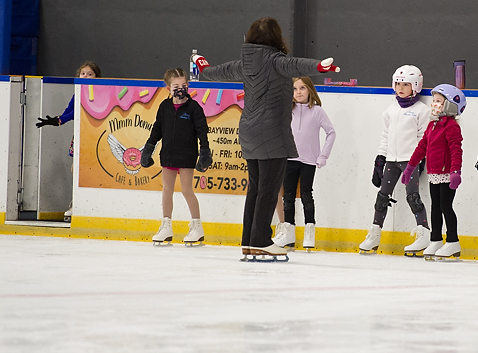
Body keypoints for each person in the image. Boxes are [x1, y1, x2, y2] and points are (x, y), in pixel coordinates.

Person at [195, 17, 338, 261]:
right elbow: (297, 65)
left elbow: (215, 72)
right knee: (269, 190)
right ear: (276, 37)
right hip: (272, 132)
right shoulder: (276, 61)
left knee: (255, 188)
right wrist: (320, 67)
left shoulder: (245, 63)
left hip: (248, 131)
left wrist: (202, 65)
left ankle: (249, 240)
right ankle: (261, 240)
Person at [359, 65, 431, 254]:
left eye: (405, 84)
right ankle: (375, 234)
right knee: (382, 196)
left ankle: (424, 233)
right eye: (398, 84)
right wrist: (380, 159)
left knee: (412, 196)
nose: (400, 88)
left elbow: (424, 138)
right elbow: (386, 136)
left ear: (415, 86)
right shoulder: (390, 110)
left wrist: (419, 159)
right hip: (392, 160)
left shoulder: (421, 110)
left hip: (410, 161)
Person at [139, 68, 212, 247]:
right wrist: (148, 148)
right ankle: (166, 225)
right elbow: (157, 129)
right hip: (168, 154)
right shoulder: (164, 107)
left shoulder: (194, 108)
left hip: (187, 154)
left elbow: (202, 131)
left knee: (186, 190)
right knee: (167, 189)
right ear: (168, 88)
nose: (180, 89)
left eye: (183, 85)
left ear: (188, 85)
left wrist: (204, 151)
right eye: (176, 86)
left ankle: (197, 226)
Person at [402, 84, 465, 260]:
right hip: (434, 173)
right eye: (434, 100)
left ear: (449, 105)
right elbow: (422, 148)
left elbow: (456, 150)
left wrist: (455, 171)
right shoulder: (432, 125)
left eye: (439, 101)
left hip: (447, 174)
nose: (434, 104)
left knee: (446, 206)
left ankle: (452, 241)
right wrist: (410, 167)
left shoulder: (451, 126)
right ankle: (435, 239)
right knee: (435, 207)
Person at [273, 77, 336, 252]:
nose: (298, 92)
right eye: (295, 89)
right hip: (289, 159)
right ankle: (289, 232)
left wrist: (323, 156)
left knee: (306, 195)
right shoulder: (287, 110)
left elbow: (331, 132)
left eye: (302, 88)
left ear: (309, 90)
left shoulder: (317, 111)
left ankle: (309, 231)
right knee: (288, 196)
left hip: (308, 161)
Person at [35, 61, 101, 222]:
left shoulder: (98, 94)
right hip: (79, 135)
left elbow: (81, 111)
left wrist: (62, 119)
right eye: (83, 73)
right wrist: (56, 120)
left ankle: (88, 203)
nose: (85, 76)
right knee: (75, 169)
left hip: (94, 136)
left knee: (88, 170)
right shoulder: (77, 93)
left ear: (97, 77)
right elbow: (69, 112)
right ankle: (76, 202)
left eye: (90, 74)